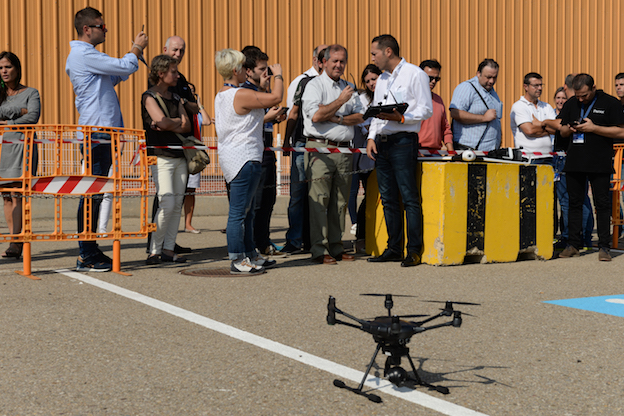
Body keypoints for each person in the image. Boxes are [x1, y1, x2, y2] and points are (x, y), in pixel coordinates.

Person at [66, 6, 148, 272]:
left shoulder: (89, 56)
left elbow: (118, 73)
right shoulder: (83, 54)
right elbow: (124, 65)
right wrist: (135, 48)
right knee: (91, 192)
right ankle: (87, 253)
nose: (106, 30)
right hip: (96, 133)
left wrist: (130, 61)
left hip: (103, 133)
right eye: (101, 26)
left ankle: (89, 251)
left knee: (96, 193)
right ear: (87, 29)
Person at [214, 49, 283, 274]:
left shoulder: (226, 93)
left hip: (244, 155)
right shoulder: (239, 94)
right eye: (244, 67)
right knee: (239, 213)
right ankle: (237, 258)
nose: (247, 71)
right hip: (242, 157)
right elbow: (275, 98)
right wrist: (279, 76)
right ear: (236, 70)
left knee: (249, 210)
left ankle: (250, 253)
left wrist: (262, 86)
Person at [366, 34, 433, 267]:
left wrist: (403, 117)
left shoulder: (415, 74)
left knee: (409, 197)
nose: (371, 58)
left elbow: (426, 109)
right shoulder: (383, 78)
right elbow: (376, 110)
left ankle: (413, 249)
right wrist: (371, 137)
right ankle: (393, 247)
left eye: (374, 53)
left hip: (404, 140)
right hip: (383, 141)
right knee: (388, 198)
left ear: (388, 52)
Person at [301, 44, 364, 265]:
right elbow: (316, 116)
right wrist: (340, 103)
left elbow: (360, 117)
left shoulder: (348, 86)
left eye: (342, 61)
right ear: (323, 62)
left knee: (340, 201)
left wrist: (336, 117)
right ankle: (320, 249)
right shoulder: (314, 86)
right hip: (320, 148)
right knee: (320, 199)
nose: (339, 65)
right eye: (334, 61)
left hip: (345, 148)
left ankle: (336, 246)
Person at [558, 74, 624, 261]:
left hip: (599, 162)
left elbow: (621, 131)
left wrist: (595, 129)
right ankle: (573, 244)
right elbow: (561, 130)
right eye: (578, 95)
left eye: (584, 95)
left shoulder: (610, 103)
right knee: (574, 203)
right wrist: (569, 128)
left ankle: (604, 246)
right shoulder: (572, 103)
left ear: (593, 88)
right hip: (575, 162)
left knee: (602, 204)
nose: (581, 99)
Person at [143, 55, 191, 265]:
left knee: (177, 202)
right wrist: (173, 122)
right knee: (167, 202)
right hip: (160, 156)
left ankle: (169, 249)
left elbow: (187, 125)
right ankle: (154, 249)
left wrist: (168, 123)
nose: (177, 74)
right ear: (161, 74)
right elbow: (161, 122)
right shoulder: (149, 97)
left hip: (180, 155)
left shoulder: (176, 97)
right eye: (173, 71)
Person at [280, 44, 327, 255]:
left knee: (319, 194)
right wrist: (288, 141)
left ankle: (315, 240)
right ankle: (294, 239)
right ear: (317, 60)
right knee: (298, 194)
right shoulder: (301, 81)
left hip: (324, 145)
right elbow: (293, 113)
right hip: (301, 144)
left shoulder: (336, 84)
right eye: (325, 58)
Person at [241, 47, 287, 256]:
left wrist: (274, 117)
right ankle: (249, 246)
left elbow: (263, 121)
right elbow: (247, 124)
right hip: (251, 153)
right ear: (248, 70)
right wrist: (267, 117)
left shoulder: (263, 91)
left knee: (268, 201)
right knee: (254, 204)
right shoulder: (245, 91)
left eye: (267, 69)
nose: (266, 73)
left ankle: (263, 242)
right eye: (262, 69)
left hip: (266, 150)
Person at [0, 51, 40, 259]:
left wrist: (11, 122)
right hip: (2, 151)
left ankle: (17, 241)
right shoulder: (0, 93)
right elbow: (24, 112)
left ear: (17, 69)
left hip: (22, 150)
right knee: (6, 196)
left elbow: (33, 115)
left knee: (18, 194)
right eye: (1, 68)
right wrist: (19, 111)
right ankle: (14, 238)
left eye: (8, 67)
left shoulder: (31, 92)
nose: (4, 71)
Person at [351, 64, 381, 253]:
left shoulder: (388, 94)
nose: (371, 83)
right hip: (367, 156)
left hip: (386, 151)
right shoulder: (361, 99)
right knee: (369, 195)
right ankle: (361, 236)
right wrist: (370, 130)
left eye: (374, 79)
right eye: (368, 81)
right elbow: (360, 121)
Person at [449, 59, 503, 151]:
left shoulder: (493, 93)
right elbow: (455, 113)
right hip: (468, 149)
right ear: (478, 74)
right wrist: (483, 118)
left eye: (495, 77)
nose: (491, 81)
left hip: (489, 151)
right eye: (488, 77)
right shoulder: (467, 88)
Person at [184, 82, 213, 234]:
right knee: (177, 190)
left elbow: (207, 121)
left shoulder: (196, 114)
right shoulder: (180, 110)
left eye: (193, 92)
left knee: (190, 190)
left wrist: (199, 104)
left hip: (194, 155)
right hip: (181, 152)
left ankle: (188, 223)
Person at [509, 72, 557, 164]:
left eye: (541, 85)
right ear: (525, 87)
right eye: (536, 85)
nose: (539, 88)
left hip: (548, 156)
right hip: (528, 158)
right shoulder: (519, 106)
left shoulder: (547, 106)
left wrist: (540, 124)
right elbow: (529, 131)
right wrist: (547, 127)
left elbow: (557, 130)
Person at [418, 59, 454, 153]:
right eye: (429, 78)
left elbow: (445, 128)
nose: (433, 82)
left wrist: (451, 152)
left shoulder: (438, 100)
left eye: (436, 79)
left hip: (435, 153)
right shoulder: (411, 99)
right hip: (415, 153)